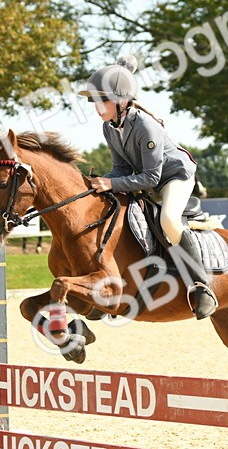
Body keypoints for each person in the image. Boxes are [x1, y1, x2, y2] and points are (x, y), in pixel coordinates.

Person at [77, 55, 217, 319]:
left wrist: (112, 182)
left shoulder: (145, 126)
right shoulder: (109, 127)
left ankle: (201, 286)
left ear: (122, 101)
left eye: (102, 100)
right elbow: (121, 168)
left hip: (173, 177)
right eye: (94, 100)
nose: (97, 107)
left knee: (169, 220)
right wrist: (102, 183)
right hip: (145, 178)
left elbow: (152, 178)